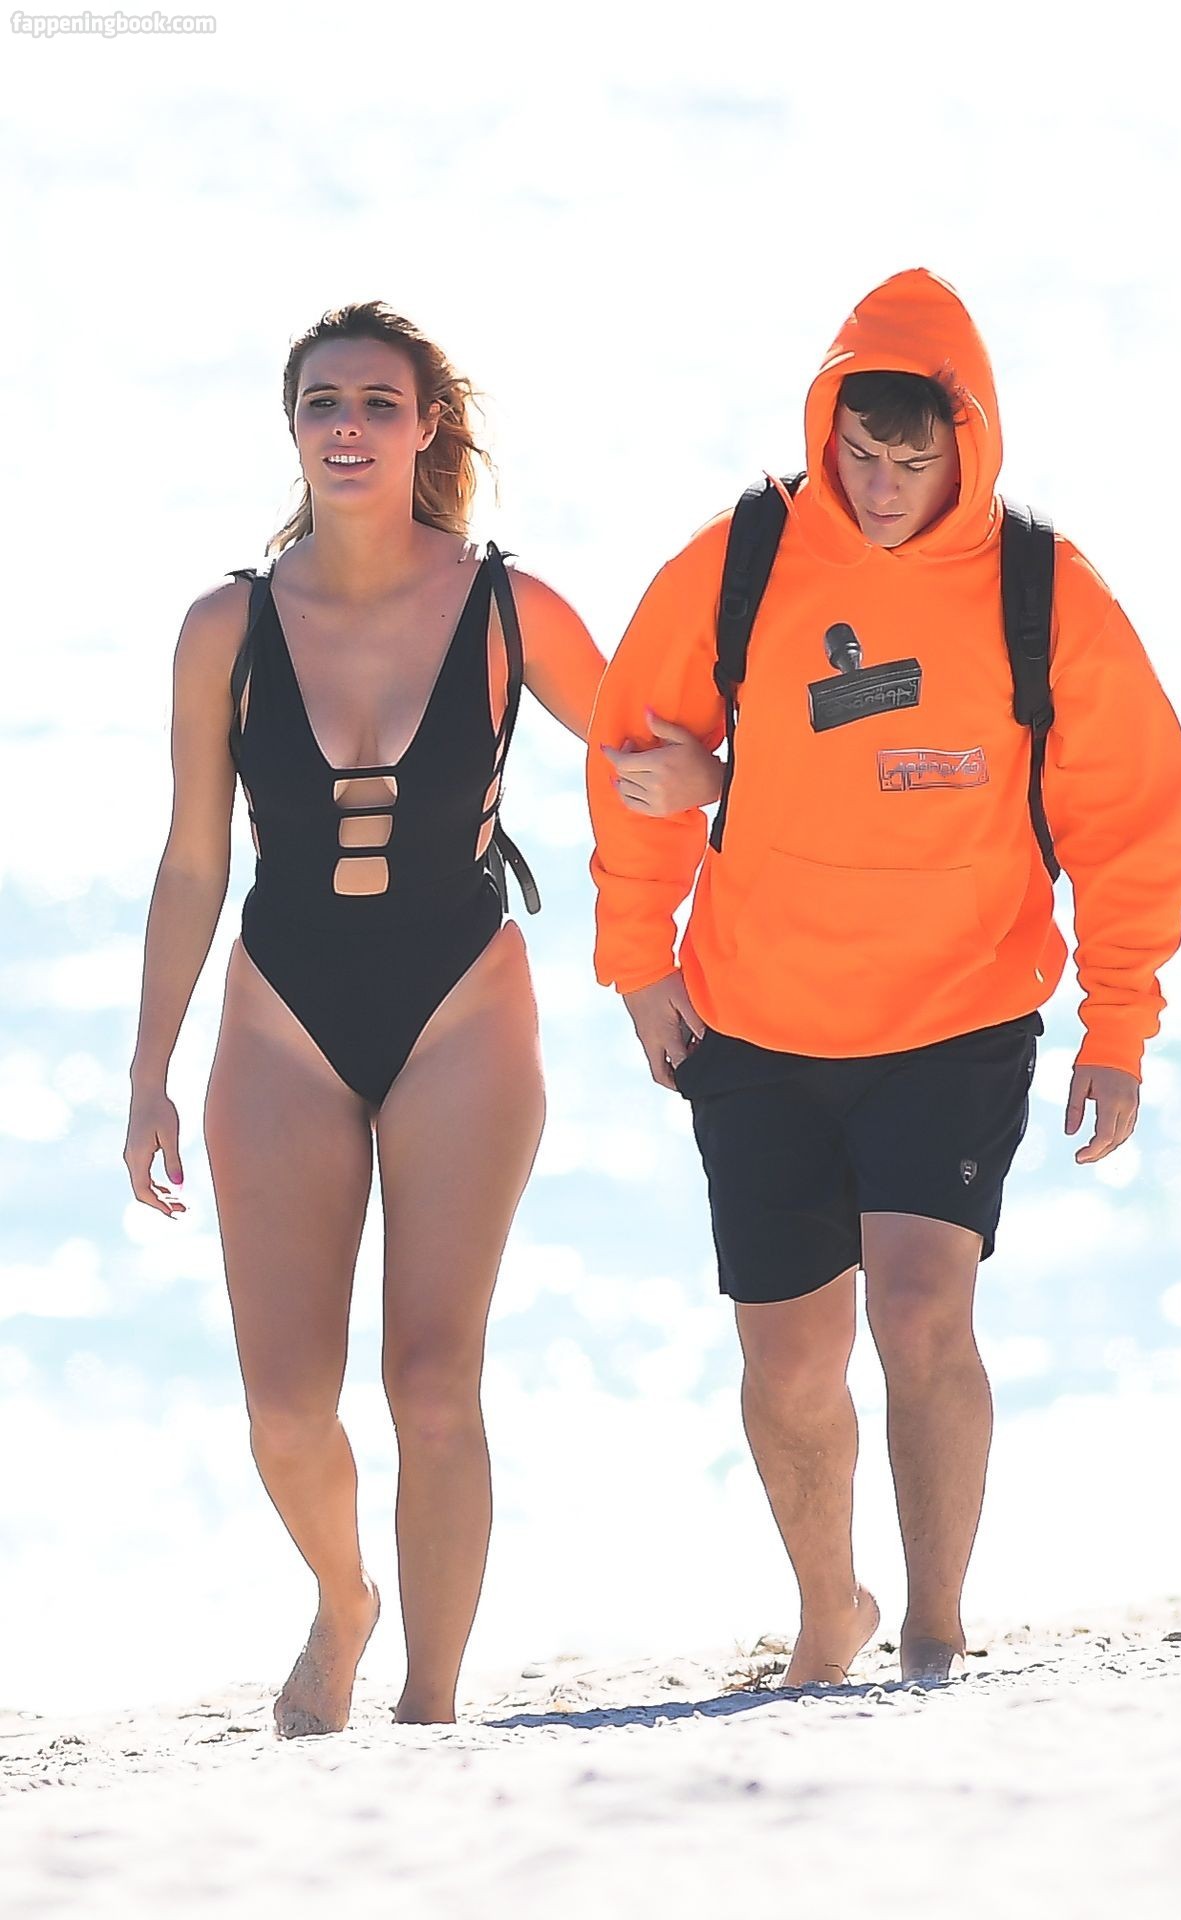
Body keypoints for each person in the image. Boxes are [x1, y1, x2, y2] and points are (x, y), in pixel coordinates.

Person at [123, 301, 723, 1735]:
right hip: (281, 1018)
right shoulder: (225, 629)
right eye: (322, 403)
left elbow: (654, 755)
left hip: (463, 1008)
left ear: (425, 428)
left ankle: (431, 1713)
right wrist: (148, 1074)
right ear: (292, 429)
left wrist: (707, 797)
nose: (348, 427)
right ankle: (344, 1598)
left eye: (378, 404)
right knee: (285, 1406)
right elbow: (194, 860)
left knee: (434, 1382)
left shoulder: (510, 608)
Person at [588, 268, 1181, 1687]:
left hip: (957, 1011)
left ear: (965, 447)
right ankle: (828, 1614)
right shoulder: (740, 560)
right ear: (827, 429)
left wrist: (1118, 1026)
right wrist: (636, 964)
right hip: (754, 1016)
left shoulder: (1044, 589)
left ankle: (933, 1628)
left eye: (910, 464)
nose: (877, 489)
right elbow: (633, 756)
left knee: (922, 1313)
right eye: (857, 454)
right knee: (790, 1362)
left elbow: (1130, 820)